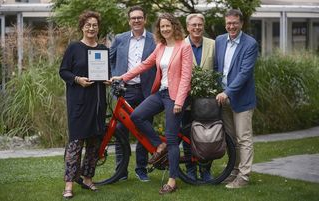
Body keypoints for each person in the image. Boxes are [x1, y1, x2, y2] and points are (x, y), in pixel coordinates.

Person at [110, 13, 193, 194]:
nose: (165, 29)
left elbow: (186, 76)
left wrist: (179, 101)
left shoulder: (184, 47)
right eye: (162, 27)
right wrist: (122, 78)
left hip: (175, 96)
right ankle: (158, 144)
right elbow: (144, 65)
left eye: (167, 26)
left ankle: (172, 181)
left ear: (174, 26)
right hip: (161, 93)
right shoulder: (161, 46)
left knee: (172, 138)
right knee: (137, 116)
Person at [59, 11, 106, 199]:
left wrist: (107, 80)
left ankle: (87, 179)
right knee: (75, 145)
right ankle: (69, 185)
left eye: (95, 25)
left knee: (94, 145)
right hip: (78, 103)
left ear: (98, 28)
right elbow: (63, 71)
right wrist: (77, 79)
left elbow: (103, 74)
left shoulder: (103, 49)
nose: (91, 28)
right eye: (88, 25)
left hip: (97, 103)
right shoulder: (74, 48)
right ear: (82, 27)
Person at [109, 5, 156, 182]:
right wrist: (113, 77)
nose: (136, 20)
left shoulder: (154, 40)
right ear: (129, 21)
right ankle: (121, 171)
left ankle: (141, 169)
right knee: (120, 130)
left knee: (143, 130)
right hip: (125, 91)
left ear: (145, 19)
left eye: (139, 17)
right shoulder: (120, 39)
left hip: (146, 92)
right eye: (133, 18)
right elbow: (109, 59)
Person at [214, 9, 259, 189]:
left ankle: (244, 176)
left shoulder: (250, 44)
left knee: (243, 138)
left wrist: (227, 92)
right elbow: (217, 67)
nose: (231, 26)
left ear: (241, 24)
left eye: (235, 23)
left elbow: (244, 73)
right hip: (223, 98)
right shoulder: (219, 40)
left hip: (242, 99)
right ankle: (233, 171)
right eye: (228, 23)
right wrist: (218, 90)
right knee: (231, 139)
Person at [183, 13, 215, 182]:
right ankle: (190, 169)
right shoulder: (180, 45)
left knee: (206, 137)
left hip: (207, 101)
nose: (196, 28)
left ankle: (205, 170)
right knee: (187, 135)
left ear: (203, 26)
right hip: (186, 100)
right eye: (193, 25)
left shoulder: (213, 44)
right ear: (187, 27)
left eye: (199, 25)